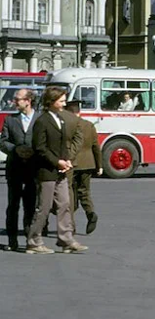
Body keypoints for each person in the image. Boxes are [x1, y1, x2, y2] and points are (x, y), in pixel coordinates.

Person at [25, 86, 86, 254]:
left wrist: (66, 160)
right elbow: (40, 147)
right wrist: (57, 162)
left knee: (65, 203)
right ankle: (34, 240)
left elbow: (62, 144)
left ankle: (66, 239)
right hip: (46, 171)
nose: (64, 103)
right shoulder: (42, 121)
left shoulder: (61, 119)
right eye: (61, 100)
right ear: (51, 102)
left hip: (61, 169)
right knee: (44, 206)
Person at [1, 88, 39, 251]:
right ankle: (12, 240)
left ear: (28, 101)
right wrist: (15, 149)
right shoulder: (10, 120)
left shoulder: (40, 119)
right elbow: (3, 141)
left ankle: (30, 240)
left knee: (31, 206)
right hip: (15, 168)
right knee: (13, 206)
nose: (14, 102)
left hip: (33, 169)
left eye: (18, 99)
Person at [67, 100, 102, 235]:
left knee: (70, 193)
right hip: (88, 163)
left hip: (72, 163)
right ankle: (90, 213)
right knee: (85, 191)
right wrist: (99, 166)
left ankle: (71, 226)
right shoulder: (89, 125)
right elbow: (96, 147)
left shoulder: (68, 126)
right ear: (79, 112)